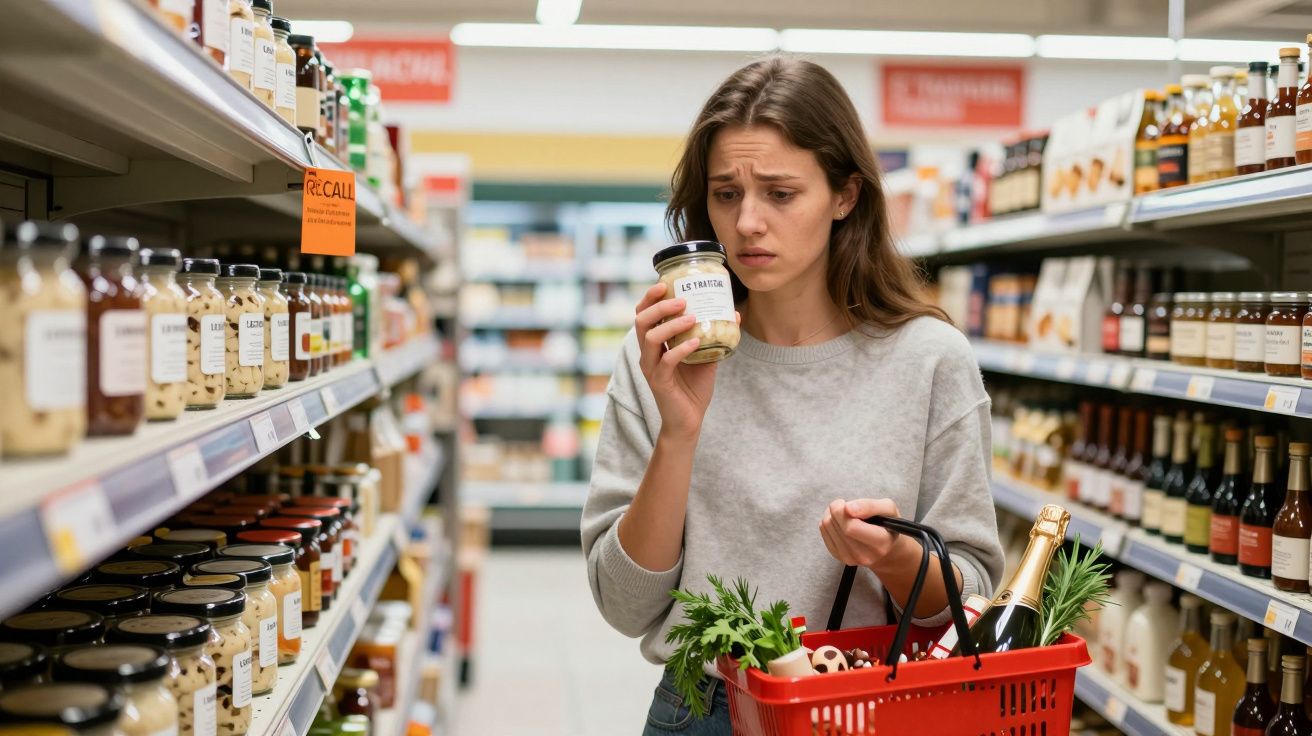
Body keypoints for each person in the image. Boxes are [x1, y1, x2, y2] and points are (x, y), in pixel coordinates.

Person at [580, 56, 1004, 735]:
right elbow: (625, 605)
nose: (747, 222)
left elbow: (970, 597)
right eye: (725, 194)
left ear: (845, 196)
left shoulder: (930, 362)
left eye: (780, 194)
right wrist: (678, 433)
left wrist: (894, 557)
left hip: (874, 706)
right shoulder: (660, 357)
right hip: (704, 710)